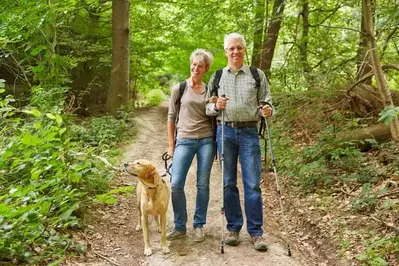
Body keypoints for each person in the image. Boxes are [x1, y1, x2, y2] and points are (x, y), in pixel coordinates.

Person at [205, 33, 273, 251]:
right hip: (225, 132)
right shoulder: (216, 77)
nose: (235, 52)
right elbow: (208, 108)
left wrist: (268, 110)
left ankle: (256, 233)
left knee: (252, 183)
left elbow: (269, 104)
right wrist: (217, 107)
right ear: (225, 52)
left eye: (239, 48)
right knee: (228, 182)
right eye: (231, 48)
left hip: (249, 133)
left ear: (244, 50)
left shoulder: (256, 75)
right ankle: (233, 227)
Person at [166, 49, 215, 242]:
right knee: (176, 184)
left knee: (203, 184)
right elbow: (170, 118)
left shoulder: (210, 90)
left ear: (206, 69)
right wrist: (171, 146)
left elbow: (214, 114)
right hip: (184, 140)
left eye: (200, 66)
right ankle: (180, 226)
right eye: (193, 64)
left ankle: (198, 225)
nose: (196, 68)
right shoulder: (179, 89)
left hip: (206, 141)